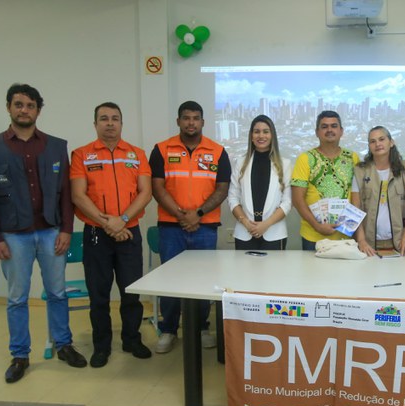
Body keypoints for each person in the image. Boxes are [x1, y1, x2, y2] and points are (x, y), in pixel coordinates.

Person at [0, 83, 87, 383]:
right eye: (18, 104)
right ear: (9, 108)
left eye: (30, 105)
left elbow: (65, 193)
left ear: (38, 110)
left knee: (57, 293)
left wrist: (66, 228)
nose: (24, 110)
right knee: (16, 298)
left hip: (51, 232)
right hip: (13, 235)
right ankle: (20, 355)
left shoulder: (55, 146)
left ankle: (64, 345)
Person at [70, 102, 152, 368]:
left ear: (121, 123)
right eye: (103, 118)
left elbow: (145, 192)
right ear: (95, 124)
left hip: (129, 231)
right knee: (99, 295)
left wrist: (123, 220)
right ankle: (101, 347)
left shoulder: (137, 154)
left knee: (131, 292)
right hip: (96, 234)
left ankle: (131, 339)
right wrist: (109, 224)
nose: (109, 123)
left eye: (115, 118)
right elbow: (78, 196)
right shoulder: (81, 155)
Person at [149, 101, 230, 353]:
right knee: (170, 280)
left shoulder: (217, 151)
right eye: (186, 118)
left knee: (203, 280)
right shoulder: (161, 149)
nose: (191, 122)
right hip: (171, 228)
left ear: (203, 122)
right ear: (178, 121)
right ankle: (169, 329)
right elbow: (157, 187)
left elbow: (222, 189)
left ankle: (202, 327)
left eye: (196, 118)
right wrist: (182, 215)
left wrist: (199, 214)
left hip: (205, 227)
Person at [291, 110, 360, 251]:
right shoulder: (305, 158)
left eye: (334, 126)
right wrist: (317, 226)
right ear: (317, 132)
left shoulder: (352, 158)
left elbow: (356, 197)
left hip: (345, 236)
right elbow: (297, 199)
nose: (329, 130)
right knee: (313, 274)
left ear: (341, 131)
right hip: (313, 236)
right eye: (324, 127)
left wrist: (357, 232)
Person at [351, 126, 405, 256]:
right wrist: (361, 240)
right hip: (368, 244)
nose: (377, 144)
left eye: (381, 139)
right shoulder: (360, 171)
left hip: (400, 243)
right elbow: (355, 208)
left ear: (391, 142)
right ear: (369, 146)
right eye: (372, 141)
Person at [228, 115, 291, 250]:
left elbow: (287, 201)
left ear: (272, 135)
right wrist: (245, 222)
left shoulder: (285, 164)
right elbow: (233, 197)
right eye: (256, 131)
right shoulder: (239, 163)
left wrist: (266, 224)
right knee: (243, 271)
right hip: (245, 232)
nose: (261, 135)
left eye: (266, 131)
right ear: (251, 136)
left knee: (274, 272)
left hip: (274, 233)